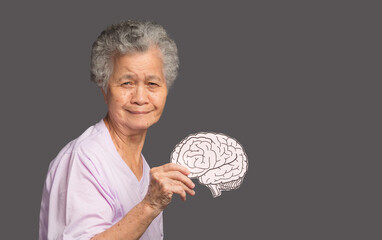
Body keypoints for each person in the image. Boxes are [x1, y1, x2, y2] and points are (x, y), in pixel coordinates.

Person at [39, 20, 195, 240]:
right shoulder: (85, 159)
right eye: (127, 83)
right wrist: (150, 205)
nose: (140, 98)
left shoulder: (145, 171)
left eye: (152, 84)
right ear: (105, 89)